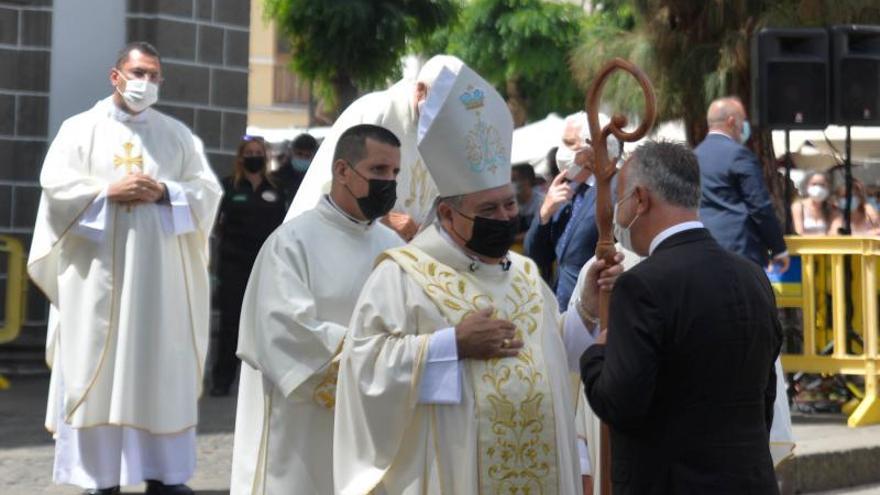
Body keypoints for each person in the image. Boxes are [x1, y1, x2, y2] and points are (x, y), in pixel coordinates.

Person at [332, 64, 619, 495]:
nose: (505, 218)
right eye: (488, 211)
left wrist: (587, 308)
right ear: (447, 214)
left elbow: (554, 353)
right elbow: (364, 368)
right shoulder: (402, 275)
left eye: (508, 206)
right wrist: (452, 345)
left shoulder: (523, 273)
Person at [27, 42, 223, 495]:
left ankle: (165, 475)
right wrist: (106, 192)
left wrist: (168, 193)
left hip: (160, 287)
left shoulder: (176, 136)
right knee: (99, 368)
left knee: (159, 369)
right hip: (98, 284)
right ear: (115, 76)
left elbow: (205, 193)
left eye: (155, 76)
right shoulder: (79, 131)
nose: (147, 83)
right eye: (139, 73)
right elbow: (54, 190)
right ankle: (99, 479)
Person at [580, 141, 781, 494]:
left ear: (640, 200)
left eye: (621, 201)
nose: (619, 216)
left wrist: (596, 354)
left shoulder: (641, 285)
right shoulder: (752, 276)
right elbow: (765, 395)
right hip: (749, 480)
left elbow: (622, 404)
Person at [230, 124, 405, 494]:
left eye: (394, 173)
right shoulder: (291, 243)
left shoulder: (394, 247)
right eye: (378, 171)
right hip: (305, 426)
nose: (389, 182)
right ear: (342, 171)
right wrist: (381, 360)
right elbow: (287, 333)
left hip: (374, 424)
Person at [284, 55, 466, 237]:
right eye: (443, 108)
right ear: (420, 91)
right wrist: (384, 219)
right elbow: (340, 188)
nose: (445, 120)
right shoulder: (377, 111)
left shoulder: (443, 133)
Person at [210, 135, 287, 396]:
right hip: (234, 264)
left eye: (259, 152)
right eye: (250, 152)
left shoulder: (276, 188)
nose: (255, 156)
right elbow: (215, 223)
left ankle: (263, 382)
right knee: (231, 324)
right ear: (241, 157)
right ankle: (222, 380)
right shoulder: (228, 186)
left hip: (266, 265)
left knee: (266, 323)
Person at [696, 96, 790, 273]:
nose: (744, 128)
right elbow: (759, 206)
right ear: (731, 121)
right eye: (743, 121)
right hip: (739, 251)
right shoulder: (739, 155)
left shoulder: (694, 156)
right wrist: (779, 248)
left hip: (702, 247)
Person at [524, 111, 607, 306]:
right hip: (561, 308)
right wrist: (544, 213)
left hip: (595, 312)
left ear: (592, 148)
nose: (562, 151)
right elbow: (536, 256)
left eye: (569, 143)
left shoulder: (613, 189)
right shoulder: (564, 190)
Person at [272, 133, 318, 206]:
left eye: (307, 156)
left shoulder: (317, 179)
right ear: (292, 152)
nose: (303, 158)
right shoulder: (278, 178)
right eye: (299, 154)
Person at [511, 163, 544, 242]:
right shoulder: (509, 202)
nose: (510, 183)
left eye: (514, 180)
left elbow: (538, 230)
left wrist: (512, 239)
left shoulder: (541, 202)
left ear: (526, 181)